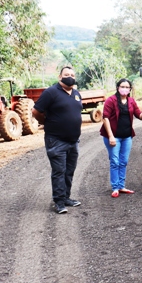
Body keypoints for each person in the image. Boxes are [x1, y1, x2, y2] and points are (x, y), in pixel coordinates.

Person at [32, 66, 83, 214]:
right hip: (56, 140)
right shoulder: (51, 92)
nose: (70, 77)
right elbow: (36, 111)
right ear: (59, 77)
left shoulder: (76, 93)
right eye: (66, 74)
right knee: (59, 171)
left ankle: (66, 197)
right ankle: (59, 202)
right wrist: (47, 122)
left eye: (72, 74)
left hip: (73, 140)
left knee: (69, 171)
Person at [100, 78, 142, 197]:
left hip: (127, 136)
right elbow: (105, 118)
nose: (125, 89)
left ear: (130, 89)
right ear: (118, 87)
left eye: (127, 87)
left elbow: (140, 116)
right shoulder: (111, 100)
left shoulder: (131, 101)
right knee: (115, 161)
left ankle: (121, 185)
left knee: (124, 161)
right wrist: (110, 136)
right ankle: (115, 187)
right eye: (123, 86)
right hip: (113, 136)